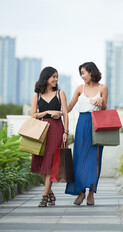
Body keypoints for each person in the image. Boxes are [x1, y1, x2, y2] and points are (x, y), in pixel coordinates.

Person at [65, 62, 108, 206]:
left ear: (91, 72)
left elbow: (105, 108)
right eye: (81, 73)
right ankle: (81, 191)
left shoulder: (103, 88)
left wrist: (102, 101)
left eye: (83, 73)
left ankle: (91, 193)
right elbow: (69, 107)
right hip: (82, 123)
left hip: (97, 124)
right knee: (79, 159)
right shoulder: (79, 89)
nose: (82, 76)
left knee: (95, 159)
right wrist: (57, 111)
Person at [30, 66, 68, 207]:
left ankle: (45, 196)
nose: (56, 79)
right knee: (41, 162)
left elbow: (65, 113)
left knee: (51, 162)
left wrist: (66, 132)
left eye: (57, 76)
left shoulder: (60, 93)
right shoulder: (37, 95)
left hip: (57, 129)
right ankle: (50, 193)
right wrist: (48, 111)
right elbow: (33, 115)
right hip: (41, 131)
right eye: (53, 76)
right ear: (45, 78)